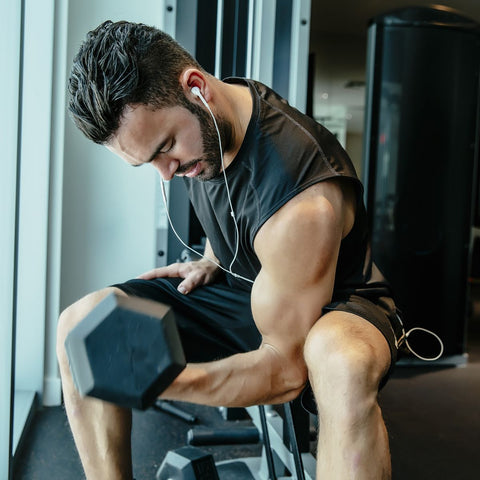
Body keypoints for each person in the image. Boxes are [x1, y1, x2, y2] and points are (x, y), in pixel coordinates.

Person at [57, 20, 404, 480]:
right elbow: (241, 207)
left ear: (196, 87)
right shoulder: (216, 118)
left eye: (166, 148)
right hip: (253, 285)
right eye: (150, 162)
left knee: (339, 362)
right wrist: (211, 258)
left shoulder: (302, 199)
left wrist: (165, 380)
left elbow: (286, 371)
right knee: (84, 324)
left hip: (331, 307)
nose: (167, 172)